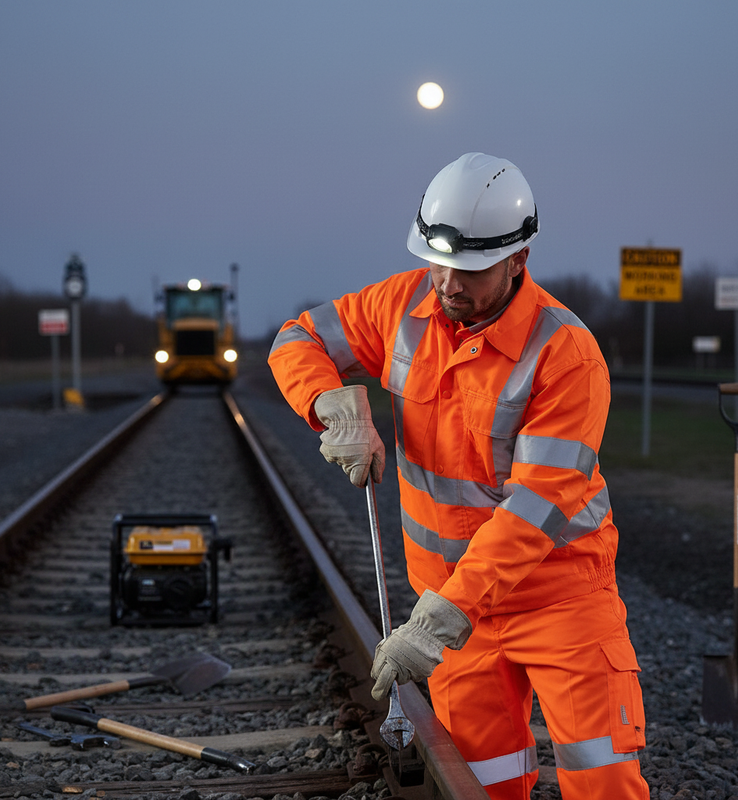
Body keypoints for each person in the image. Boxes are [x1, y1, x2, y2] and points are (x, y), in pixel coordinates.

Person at [268, 152, 649, 799]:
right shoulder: (401, 307)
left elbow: (537, 506)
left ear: (518, 261)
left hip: (559, 602)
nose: (447, 283)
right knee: (483, 785)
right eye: (437, 262)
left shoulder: (565, 354)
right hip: (451, 609)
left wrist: (438, 621)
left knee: (602, 779)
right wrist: (329, 405)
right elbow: (297, 338)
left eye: (470, 270)